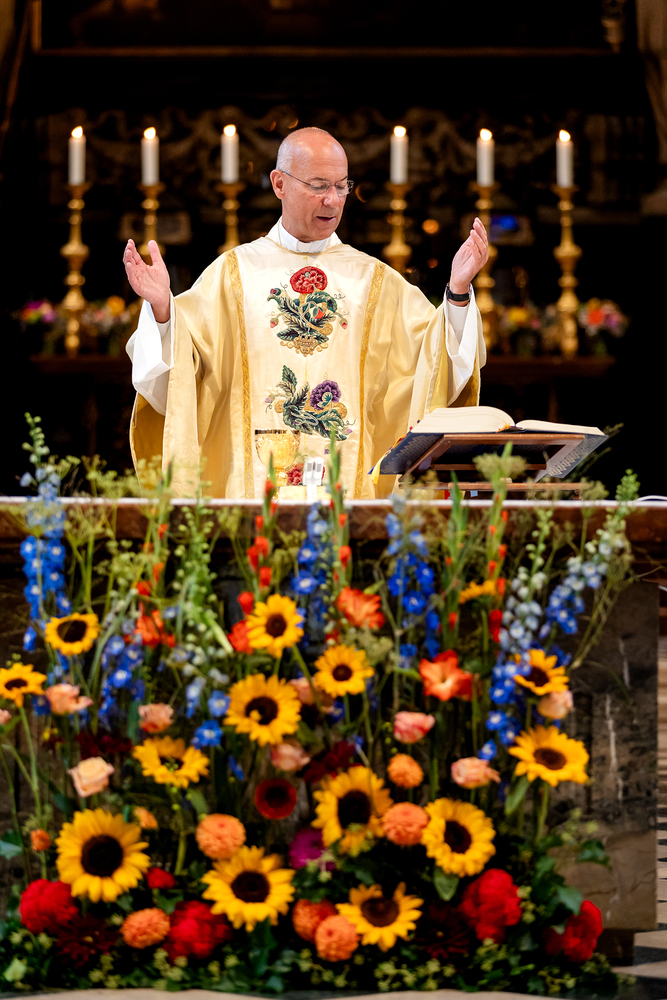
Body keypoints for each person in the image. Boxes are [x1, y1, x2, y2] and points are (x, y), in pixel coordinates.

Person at [125, 127, 489, 498]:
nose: (332, 200)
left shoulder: (375, 281)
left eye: (341, 186)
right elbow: (180, 372)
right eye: (318, 186)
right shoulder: (232, 275)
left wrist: (458, 292)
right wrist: (162, 308)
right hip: (251, 498)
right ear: (279, 184)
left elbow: (434, 360)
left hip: (349, 499)